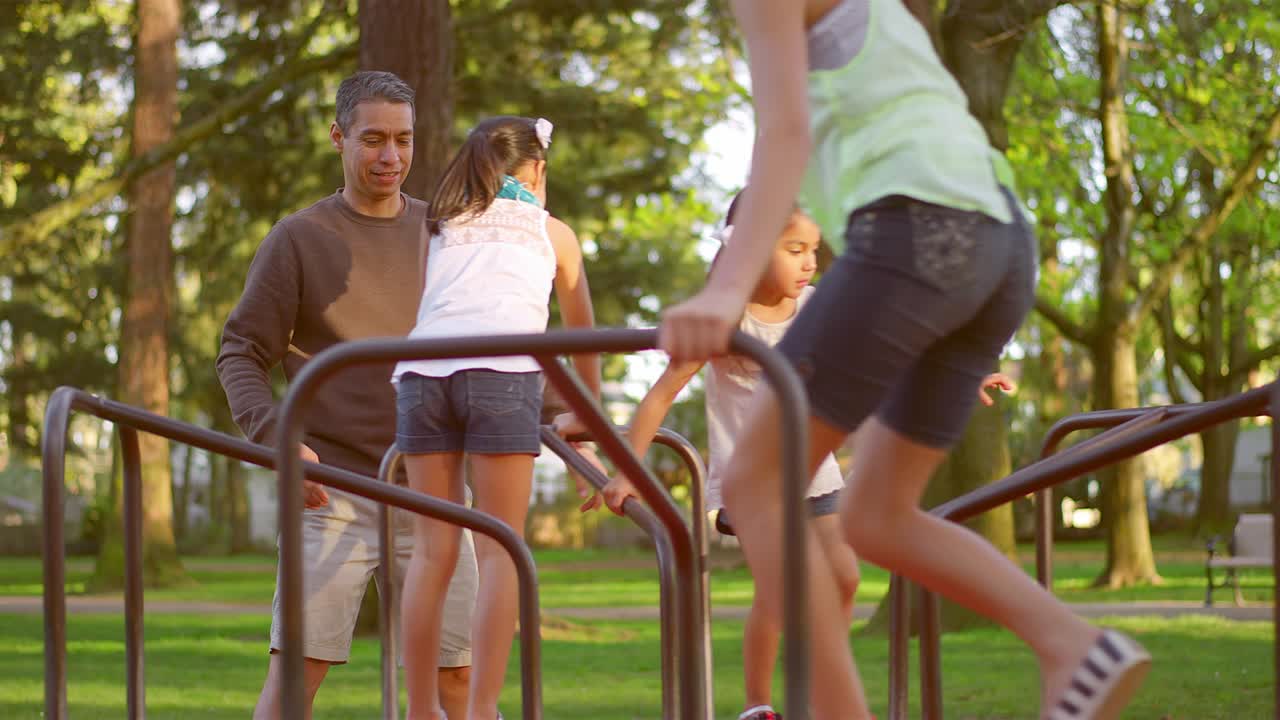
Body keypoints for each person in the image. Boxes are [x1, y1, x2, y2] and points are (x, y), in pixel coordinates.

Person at [655, 2, 1150, 719]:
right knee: (877, 515)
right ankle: (1071, 643)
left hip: (918, 227)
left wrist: (724, 289)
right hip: (1000, 242)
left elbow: (782, 135)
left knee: (755, 480)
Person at [217, 70, 477, 720]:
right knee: (300, 671)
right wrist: (278, 437)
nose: (390, 156)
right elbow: (241, 350)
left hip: (434, 486)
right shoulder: (300, 238)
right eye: (373, 140)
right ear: (339, 137)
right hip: (331, 489)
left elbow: (485, 338)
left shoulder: (444, 234)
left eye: (403, 140)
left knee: (460, 675)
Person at [392, 115, 600, 720]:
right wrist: (589, 428)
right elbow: (584, 339)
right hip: (502, 375)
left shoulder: (442, 225)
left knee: (433, 552)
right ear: (535, 169)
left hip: (420, 374)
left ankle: (421, 709)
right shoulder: (551, 232)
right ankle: (482, 709)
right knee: (499, 549)